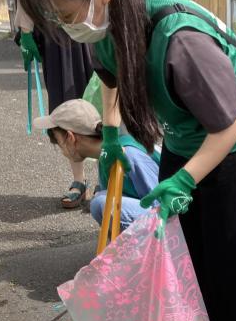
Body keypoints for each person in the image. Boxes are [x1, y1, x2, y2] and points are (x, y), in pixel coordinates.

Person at [19, 0, 236, 321]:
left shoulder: (180, 39)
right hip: (186, 134)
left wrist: (186, 179)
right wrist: (109, 134)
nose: (65, 28)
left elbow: (231, 123)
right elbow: (110, 78)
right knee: (188, 254)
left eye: (66, 17)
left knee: (234, 265)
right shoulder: (106, 23)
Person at [16, 0, 94, 209]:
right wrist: (26, 32)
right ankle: (79, 180)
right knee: (65, 104)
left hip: (90, 23)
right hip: (54, 32)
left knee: (100, 101)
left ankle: (109, 180)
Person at [33, 99, 159, 231]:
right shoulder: (105, 155)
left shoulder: (128, 154)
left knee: (101, 203)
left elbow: (162, 204)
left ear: (71, 138)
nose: (62, 152)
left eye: (59, 142)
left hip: (172, 225)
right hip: (155, 219)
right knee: (101, 198)